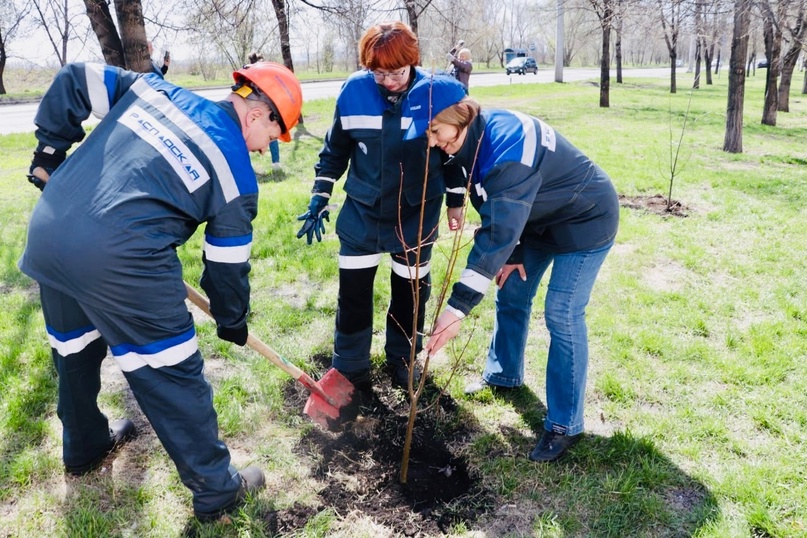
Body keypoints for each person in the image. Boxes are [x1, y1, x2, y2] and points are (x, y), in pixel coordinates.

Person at [21, 60, 303, 521]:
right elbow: (227, 267)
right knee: (172, 373)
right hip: (124, 261)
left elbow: (76, 79)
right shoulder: (234, 172)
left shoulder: (154, 90)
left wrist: (48, 154)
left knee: (73, 349)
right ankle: (217, 490)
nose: (263, 148)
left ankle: (85, 445)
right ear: (257, 114)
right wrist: (232, 320)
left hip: (53, 233)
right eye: (272, 136)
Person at [411, 77, 619, 463]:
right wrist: (514, 250)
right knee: (513, 288)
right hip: (536, 219)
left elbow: (496, 232)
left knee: (562, 311)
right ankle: (504, 374)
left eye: (437, 132)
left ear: (461, 116)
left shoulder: (507, 148)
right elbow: (496, 207)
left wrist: (456, 308)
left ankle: (564, 424)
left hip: (585, 219)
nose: (435, 143)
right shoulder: (471, 137)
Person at [296, 22, 466, 391]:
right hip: (363, 212)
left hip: (416, 212)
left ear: (413, 62)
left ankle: (403, 360)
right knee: (353, 292)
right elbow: (335, 150)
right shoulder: (355, 90)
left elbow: (453, 155)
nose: (388, 81)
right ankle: (350, 366)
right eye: (379, 74)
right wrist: (319, 195)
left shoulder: (438, 93)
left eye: (397, 73)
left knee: (410, 293)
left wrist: (455, 201)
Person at [248, 51, 281, 170]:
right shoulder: (266, 73)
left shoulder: (248, 73)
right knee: (271, 133)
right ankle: (276, 163)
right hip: (266, 108)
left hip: (252, 109)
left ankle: (247, 165)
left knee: (247, 136)